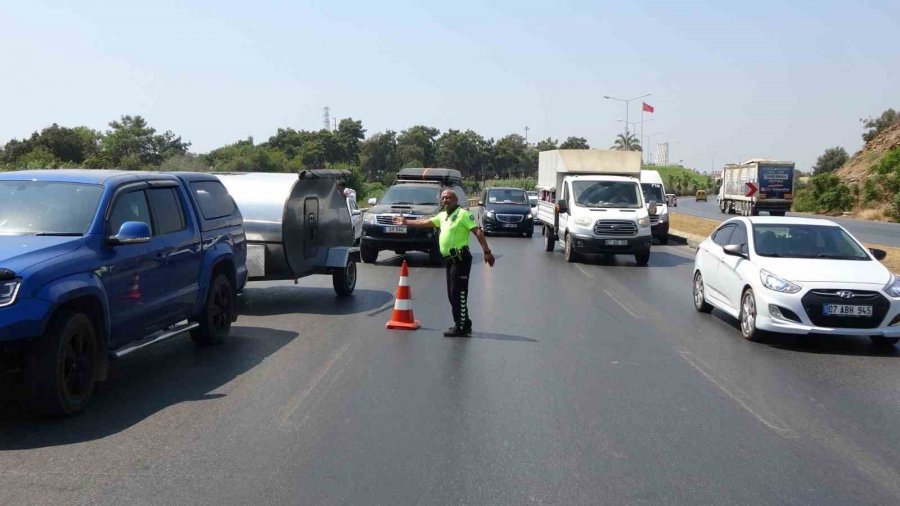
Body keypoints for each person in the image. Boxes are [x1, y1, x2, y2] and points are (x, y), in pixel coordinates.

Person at [393, 189, 495, 337]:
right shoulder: (443, 216)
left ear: (455, 200)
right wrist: (406, 222)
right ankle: (465, 323)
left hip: (461, 259)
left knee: (458, 293)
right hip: (449, 260)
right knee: (451, 293)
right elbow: (425, 222)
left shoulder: (463, 215)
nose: (445, 200)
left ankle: (460, 326)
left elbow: (478, 232)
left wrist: (487, 252)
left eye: (448, 198)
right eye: (442, 198)